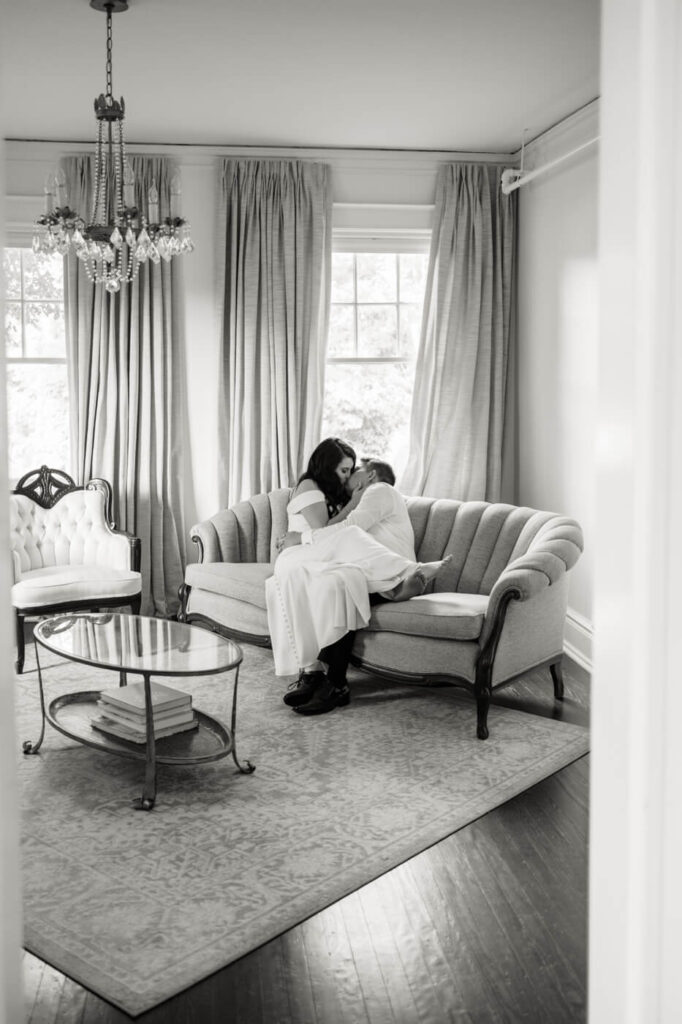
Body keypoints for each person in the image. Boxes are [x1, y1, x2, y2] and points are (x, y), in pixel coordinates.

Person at [265, 446, 451, 714]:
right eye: (344, 470)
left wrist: (303, 537)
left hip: (375, 570)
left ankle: (331, 681)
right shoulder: (342, 493)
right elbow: (337, 529)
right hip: (353, 566)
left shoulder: (379, 491)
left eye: (353, 470)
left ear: (369, 475)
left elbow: (346, 528)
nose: (348, 476)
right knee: (334, 583)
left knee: (340, 583)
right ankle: (318, 675)